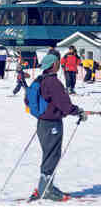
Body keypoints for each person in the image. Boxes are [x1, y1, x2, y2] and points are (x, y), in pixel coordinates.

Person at [28, 53, 88, 202]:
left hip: (42, 123)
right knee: (52, 155)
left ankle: (45, 186)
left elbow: (27, 100)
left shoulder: (40, 79)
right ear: (54, 65)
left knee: (49, 154)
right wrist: (78, 111)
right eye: (57, 62)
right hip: (51, 124)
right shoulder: (53, 82)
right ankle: (46, 189)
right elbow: (64, 104)